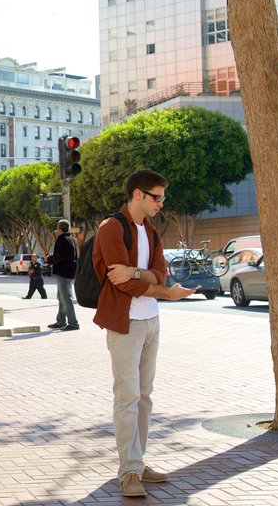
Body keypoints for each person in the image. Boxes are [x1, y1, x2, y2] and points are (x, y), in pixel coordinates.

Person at [93, 169, 196, 498]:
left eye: (163, 198)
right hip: (126, 323)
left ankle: (137, 462)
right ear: (138, 194)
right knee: (127, 397)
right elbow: (121, 282)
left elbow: (158, 275)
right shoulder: (112, 228)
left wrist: (141, 274)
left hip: (151, 321)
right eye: (157, 197)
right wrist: (156, 287)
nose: (161, 204)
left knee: (145, 397)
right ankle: (129, 472)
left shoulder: (151, 232)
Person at [49, 220, 79, 331]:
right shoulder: (70, 239)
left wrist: (50, 259)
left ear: (60, 228)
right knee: (61, 298)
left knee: (66, 298)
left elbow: (60, 257)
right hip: (67, 272)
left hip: (64, 273)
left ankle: (73, 323)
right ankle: (61, 321)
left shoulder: (64, 240)